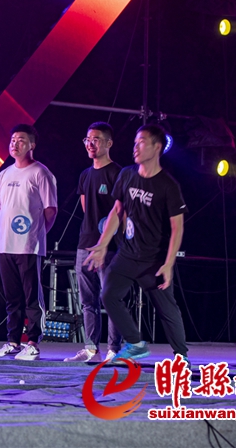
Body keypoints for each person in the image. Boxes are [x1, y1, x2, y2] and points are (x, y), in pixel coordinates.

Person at [85, 123, 189, 363]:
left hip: (154, 259)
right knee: (109, 295)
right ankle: (135, 343)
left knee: (167, 310)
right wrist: (102, 244)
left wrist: (169, 264)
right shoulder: (127, 175)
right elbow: (117, 211)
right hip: (128, 253)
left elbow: (177, 227)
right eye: (135, 143)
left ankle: (181, 356)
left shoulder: (168, 185)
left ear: (157, 147)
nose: (135, 147)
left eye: (141, 142)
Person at [0, 124, 57, 360]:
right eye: (13, 140)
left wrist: (37, 234)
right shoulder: (4, 175)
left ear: (32, 145)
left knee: (31, 297)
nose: (15, 144)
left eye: (21, 140)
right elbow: (1, 208)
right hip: (5, 245)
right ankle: (13, 341)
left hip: (29, 245)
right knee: (12, 298)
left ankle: (33, 342)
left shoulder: (41, 173)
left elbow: (51, 210)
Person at [64, 122, 124, 363]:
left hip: (109, 246)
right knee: (87, 301)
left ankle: (114, 350)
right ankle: (91, 349)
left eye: (96, 139)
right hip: (85, 244)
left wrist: (107, 239)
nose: (90, 143)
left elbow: (121, 211)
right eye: (87, 139)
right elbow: (85, 208)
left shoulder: (118, 173)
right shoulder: (85, 175)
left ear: (109, 143)